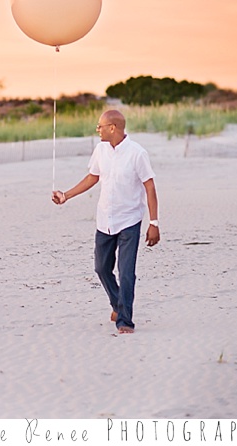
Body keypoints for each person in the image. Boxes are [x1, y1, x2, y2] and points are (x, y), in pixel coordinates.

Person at [52, 110, 160, 334]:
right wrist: (66, 195)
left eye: (100, 126)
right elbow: (93, 177)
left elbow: (150, 187)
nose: (97, 129)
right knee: (101, 268)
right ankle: (117, 304)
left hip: (130, 219)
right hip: (104, 220)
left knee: (126, 271)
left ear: (113, 128)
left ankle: (125, 321)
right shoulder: (101, 150)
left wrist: (154, 223)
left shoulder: (137, 153)